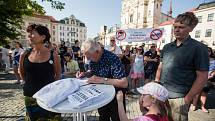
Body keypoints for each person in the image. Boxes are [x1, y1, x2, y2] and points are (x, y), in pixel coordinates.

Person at [155, 12, 209, 121]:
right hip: (161, 95)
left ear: (191, 29)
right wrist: (156, 84)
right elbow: (161, 66)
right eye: (175, 27)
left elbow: (202, 77)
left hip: (179, 98)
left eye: (181, 27)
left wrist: (187, 99)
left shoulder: (199, 48)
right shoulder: (167, 47)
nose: (176, 30)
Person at [76, 40, 128, 121]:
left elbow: (124, 83)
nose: (88, 59)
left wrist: (102, 80)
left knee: (117, 118)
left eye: (89, 56)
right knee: (103, 117)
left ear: (98, 52)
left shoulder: (112, 58)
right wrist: (85, 74)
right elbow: (92, 71)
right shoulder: (93, 58)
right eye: (87, 57)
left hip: (116, 97)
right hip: (102, 95)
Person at [19, 24, 61, 120]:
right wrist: (29, 84)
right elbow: (21, 72)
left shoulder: (53, 55)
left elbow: (58, 75)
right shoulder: (24, 54)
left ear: (43, 37)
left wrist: (52, 91)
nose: (29, 36)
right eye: (29, 33)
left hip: (49, 97)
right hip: (30, 96)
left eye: (33, 33)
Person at [192, 47, 215, 113]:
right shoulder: (199, 59)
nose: (207, 52)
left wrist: (212, 74)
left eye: (209, 51)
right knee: (197, 93)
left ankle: (203, 107)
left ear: (211, 52)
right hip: (199, 78)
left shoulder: (213, 60)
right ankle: (194, 105)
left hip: (208, 79)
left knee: (204, 93)